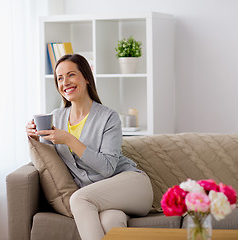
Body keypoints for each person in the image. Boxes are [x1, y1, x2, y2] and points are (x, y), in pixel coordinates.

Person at [26, 54, 153, 240]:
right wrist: (34, 139)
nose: (65, 82)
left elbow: (108, 168)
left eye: (71, 75)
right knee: (111, 222)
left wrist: (69, 139)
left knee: (78, 199)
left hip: (132, 186)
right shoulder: (57, 117)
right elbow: (48, 162)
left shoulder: (108, 117)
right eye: (59, 78)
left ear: (86, 77)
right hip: (102, 198)